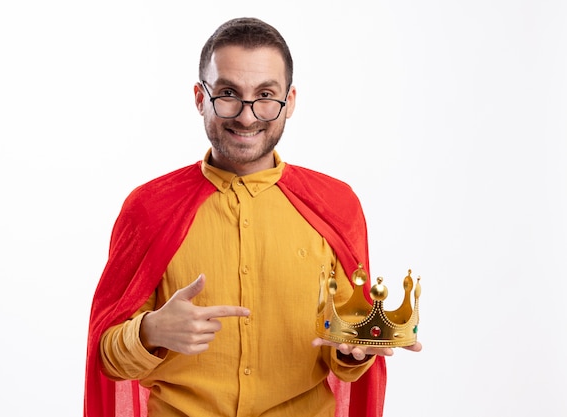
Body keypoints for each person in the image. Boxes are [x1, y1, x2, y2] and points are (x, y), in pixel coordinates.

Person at [84, 17, 421, 417]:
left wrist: (355, 350)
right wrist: (149, 332)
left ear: (290, 101)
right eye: (228, 93)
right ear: (199, 96)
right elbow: (106, 359)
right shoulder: (149, 208)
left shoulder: (336, 205)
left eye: (265, 95)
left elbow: (345, 349)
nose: (247, 116)